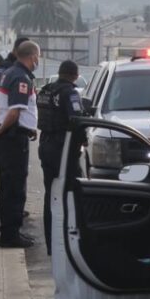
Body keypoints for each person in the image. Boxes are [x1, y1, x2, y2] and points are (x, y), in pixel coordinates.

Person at [0, 40, 40, 248]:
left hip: (9, 136)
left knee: (8, 186)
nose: (38, 61)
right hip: (12, 139)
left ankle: (11, 232)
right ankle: (10, 235)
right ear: (33, 57)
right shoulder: (21, 78)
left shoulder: (7, 73)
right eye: (38, 57)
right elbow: (14, 112)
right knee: (15, 188)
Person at [37, 60, 82, 255]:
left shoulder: (45, 91)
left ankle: (51, 244)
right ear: (74, 75)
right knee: (70, 195)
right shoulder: (70, 93)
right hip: (64, 149)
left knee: (50, 194)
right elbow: (77, 119)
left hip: (46, 144)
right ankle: (68, 243)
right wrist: (84, 140)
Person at [0, 35, 28, 218]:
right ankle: (9, 214)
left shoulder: (1, 69)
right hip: (10, 129)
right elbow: (13, 109)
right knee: (13, 176)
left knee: (3, 171)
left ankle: (4, 209)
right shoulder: (15, 73)